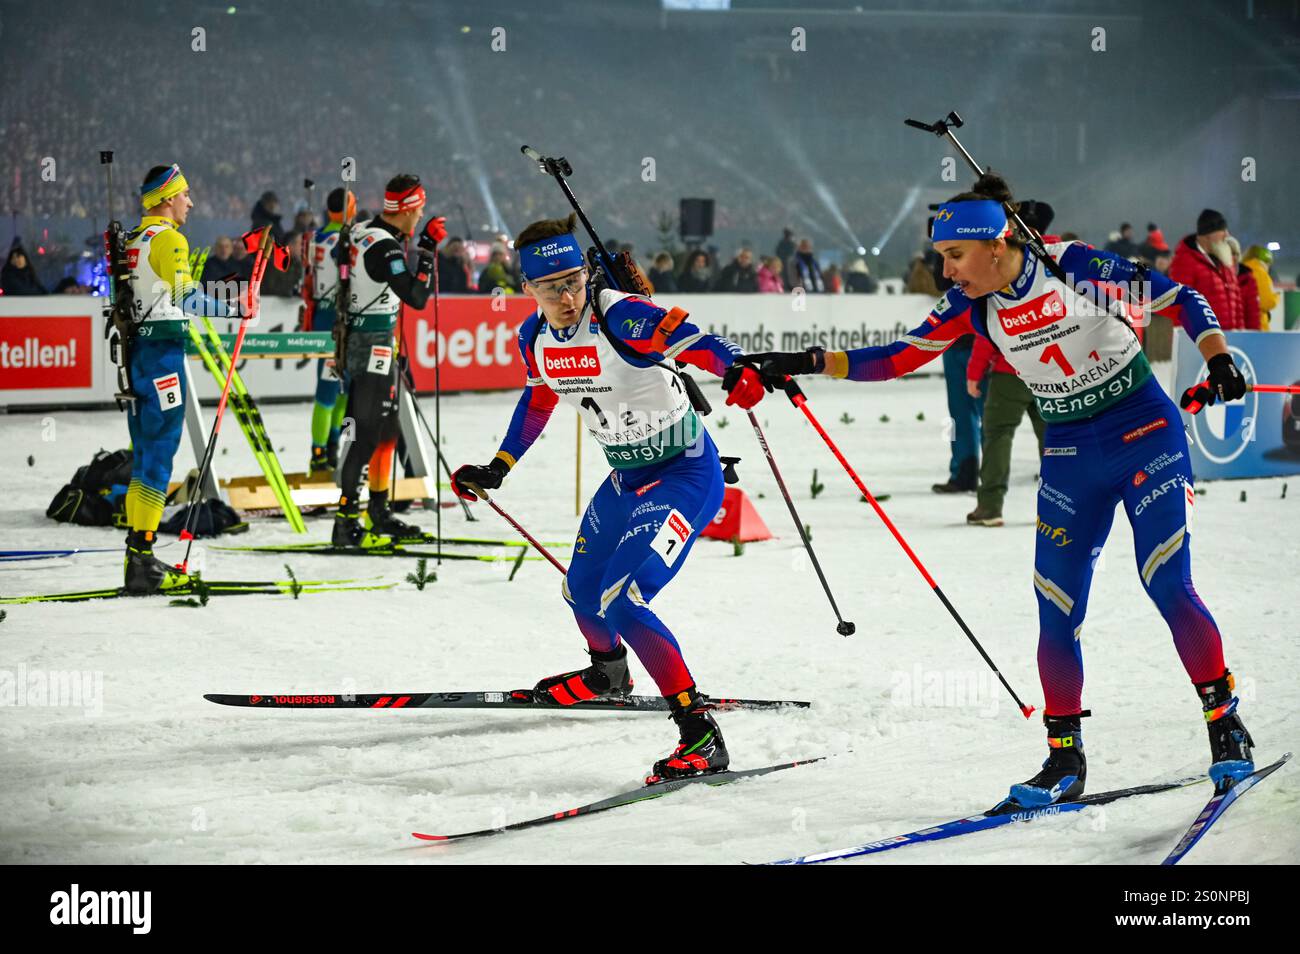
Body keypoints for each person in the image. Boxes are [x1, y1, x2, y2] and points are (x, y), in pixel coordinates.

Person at [736, 172, 1256, 805]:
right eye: (942, 258)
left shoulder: (1073, 266)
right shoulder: (970, 305)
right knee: (1055, 607)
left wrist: (1219, 355)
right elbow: (898, 357)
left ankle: (1225, 724)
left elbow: (1180, 301)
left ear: (996, 242)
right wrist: (810, 361)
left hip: (1144, 431)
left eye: (955, 256)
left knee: (1167, 581)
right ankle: (1064, 759)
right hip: (1068, 453)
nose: (947, 271)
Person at [451, 213, 770, 782]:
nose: (567, 296)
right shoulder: (534, 337)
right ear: (528, 290)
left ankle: (700, 735)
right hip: (624, 480)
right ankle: (608, 674)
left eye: (573, 281)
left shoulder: (617, 313)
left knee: (623, 599)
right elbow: (538, 402)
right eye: (551, 288)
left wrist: (736, 367)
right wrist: (499, 466)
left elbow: (687, 335)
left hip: (685, 477)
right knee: (580, 592)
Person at [120, 164, 242, 593]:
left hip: (138, 354)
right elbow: (186, 296)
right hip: (162, 354)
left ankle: (138, 555)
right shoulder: (170, 238)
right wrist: (235, 305)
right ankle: (143, 561)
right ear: (168, 197)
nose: (189, 202)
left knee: (144, 457)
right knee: (158, 456)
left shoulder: (135, 237)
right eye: (185, 194)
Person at [333, 173, 446, 546]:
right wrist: (427, 253)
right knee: (365, 434)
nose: (421, 216)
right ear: (409, 209)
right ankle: (347, 521)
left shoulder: (365, 230)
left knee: (386, 431)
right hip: (371, 346)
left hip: (373, 341)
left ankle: (377, 511)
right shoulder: (385, 247)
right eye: (420, 209)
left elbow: (342, 257)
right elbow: (416, 296)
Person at [302, 187, 355, 474]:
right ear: (347, 208)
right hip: (335, 320)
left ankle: (332, 448)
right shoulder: (342, 238)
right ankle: (319, 455)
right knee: (328, 391)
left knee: (341, 389)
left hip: (327, 316)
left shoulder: (317, 236)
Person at [1169, 209, 1243, 331]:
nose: (1227, 235)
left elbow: (1237, 301)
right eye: (1222, 231)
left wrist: (1240, 331)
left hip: (1231, 339)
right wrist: (1186, 339)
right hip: (1204, 339)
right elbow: (1179, 303)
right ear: (1208, 235)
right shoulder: (1185, 261)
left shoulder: (1224, 259)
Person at [1241, 245, 1277, 331]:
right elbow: (1268, 302)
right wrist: (1277, 296)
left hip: (1242, 322)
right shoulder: (1261, 273)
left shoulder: (1242, 269)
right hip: (1258, 323)